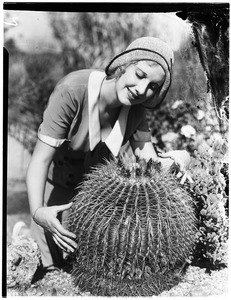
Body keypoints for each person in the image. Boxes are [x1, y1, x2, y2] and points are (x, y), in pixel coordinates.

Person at [26, 36, 191, 272]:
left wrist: (180, 158)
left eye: (153, 86)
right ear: (123, 66)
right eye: (140, 75)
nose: (142, 90)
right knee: (50, 269)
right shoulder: (72, 91)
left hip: (94, 205)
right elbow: (40, 160)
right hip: (52, 197)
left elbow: (151, 164)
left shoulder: (135, 112)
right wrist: (37, 211)